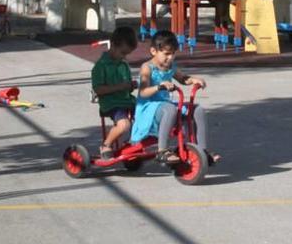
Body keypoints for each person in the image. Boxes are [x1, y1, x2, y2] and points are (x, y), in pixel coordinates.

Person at [131, 31, 219, 165]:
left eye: (173, 53)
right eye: (166, 54)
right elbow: (143, 92)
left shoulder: (170, 66)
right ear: (153, 51)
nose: (170, 57)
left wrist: (193, 79)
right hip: (148, 107)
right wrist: (159, 87)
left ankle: (202, 151)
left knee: (197, 110)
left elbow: (182, 79)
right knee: (170, 109)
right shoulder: (147, 68)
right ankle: (162, 151)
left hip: (165, 105)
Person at [91, 26, 138, 160]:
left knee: (146, 115)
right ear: (113, 45)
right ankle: (106, 145)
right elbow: (98, 89)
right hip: (112, 103)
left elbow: (126, 87)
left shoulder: (123, 64)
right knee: (124, 124)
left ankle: (131, 143)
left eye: (127, 54)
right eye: (123, 52)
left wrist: (130, 86)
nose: (124, 56)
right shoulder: (100, 66)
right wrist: (120, 87)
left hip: (127, 100)